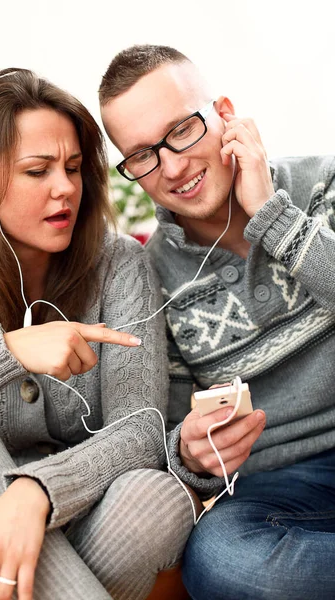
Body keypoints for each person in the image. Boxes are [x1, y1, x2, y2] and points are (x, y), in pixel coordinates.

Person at [0, 67, 195, 600]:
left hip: (83, 505)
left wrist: (35, 492)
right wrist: (7, 352)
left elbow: (141, 429)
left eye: (75, 168)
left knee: (158, 496)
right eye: (38, 171)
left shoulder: (119, 264)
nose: (65, 189)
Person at [99, 44, 335, 599]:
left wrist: (273, 216)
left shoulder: (321, 184)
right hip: (280, 487)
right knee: (222, 559)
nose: (172, 167)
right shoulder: (149, 278)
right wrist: (190, 450)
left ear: (224, 113)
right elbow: (173, 431)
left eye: (181, 130)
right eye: (141, 155)